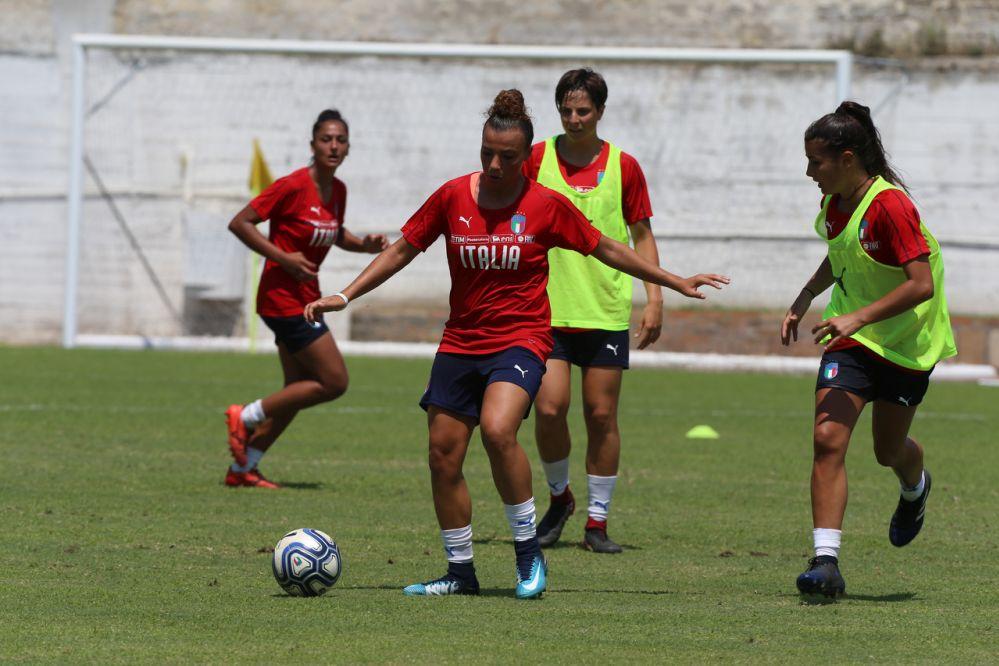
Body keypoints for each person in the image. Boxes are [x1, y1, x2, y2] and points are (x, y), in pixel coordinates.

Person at [304, 89, 728, 599]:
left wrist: (670, 281)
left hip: (522, 340)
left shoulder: (546, 206)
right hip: (461, 341)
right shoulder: (453, 196)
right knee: (442, 454)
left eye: (506, 156)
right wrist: (345, 294)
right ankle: (460, 572)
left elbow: (609, 246)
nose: (495, 163)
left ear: (526, 157)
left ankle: (528, 553)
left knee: (498, 428)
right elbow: (401, 251)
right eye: (487, 152)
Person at [781, 101, 956, 597]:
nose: (809, 171)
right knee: (828, 440)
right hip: (852, 344)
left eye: (817, 161)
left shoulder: (892, 206)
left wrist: (858, 315)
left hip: (905, 346)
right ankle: (825, 563)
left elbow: (920, 284)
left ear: (849, 158)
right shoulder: (836, 202)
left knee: (887, 451)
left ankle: (915, 487)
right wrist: (805, 296)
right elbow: (842, 254)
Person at [523, 68, 662, 553]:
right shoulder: (536, 158)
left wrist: (655, 298)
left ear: (600, 111)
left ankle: (597, 524)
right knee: (549, 406)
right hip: (548, 310)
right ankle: (561, 498)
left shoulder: (625, 166)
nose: (574, 118)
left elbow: (641, 235)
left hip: (603, 309)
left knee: (602, 415)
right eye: (566, 110)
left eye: (583, 110)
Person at [223, 109, 388, 489]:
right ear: (312, 144)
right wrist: (282, 257)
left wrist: (363, 245)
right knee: (334, 381)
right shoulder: (292, 185)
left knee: (295, 391)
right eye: (326, 139)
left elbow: (332, 231)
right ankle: (244, 416)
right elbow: (240, 223)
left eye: (340, 140)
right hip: (282, 300)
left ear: (348, 147)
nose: (333, 146)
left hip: (306, 299)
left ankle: (244, 467)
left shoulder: (339, 190)